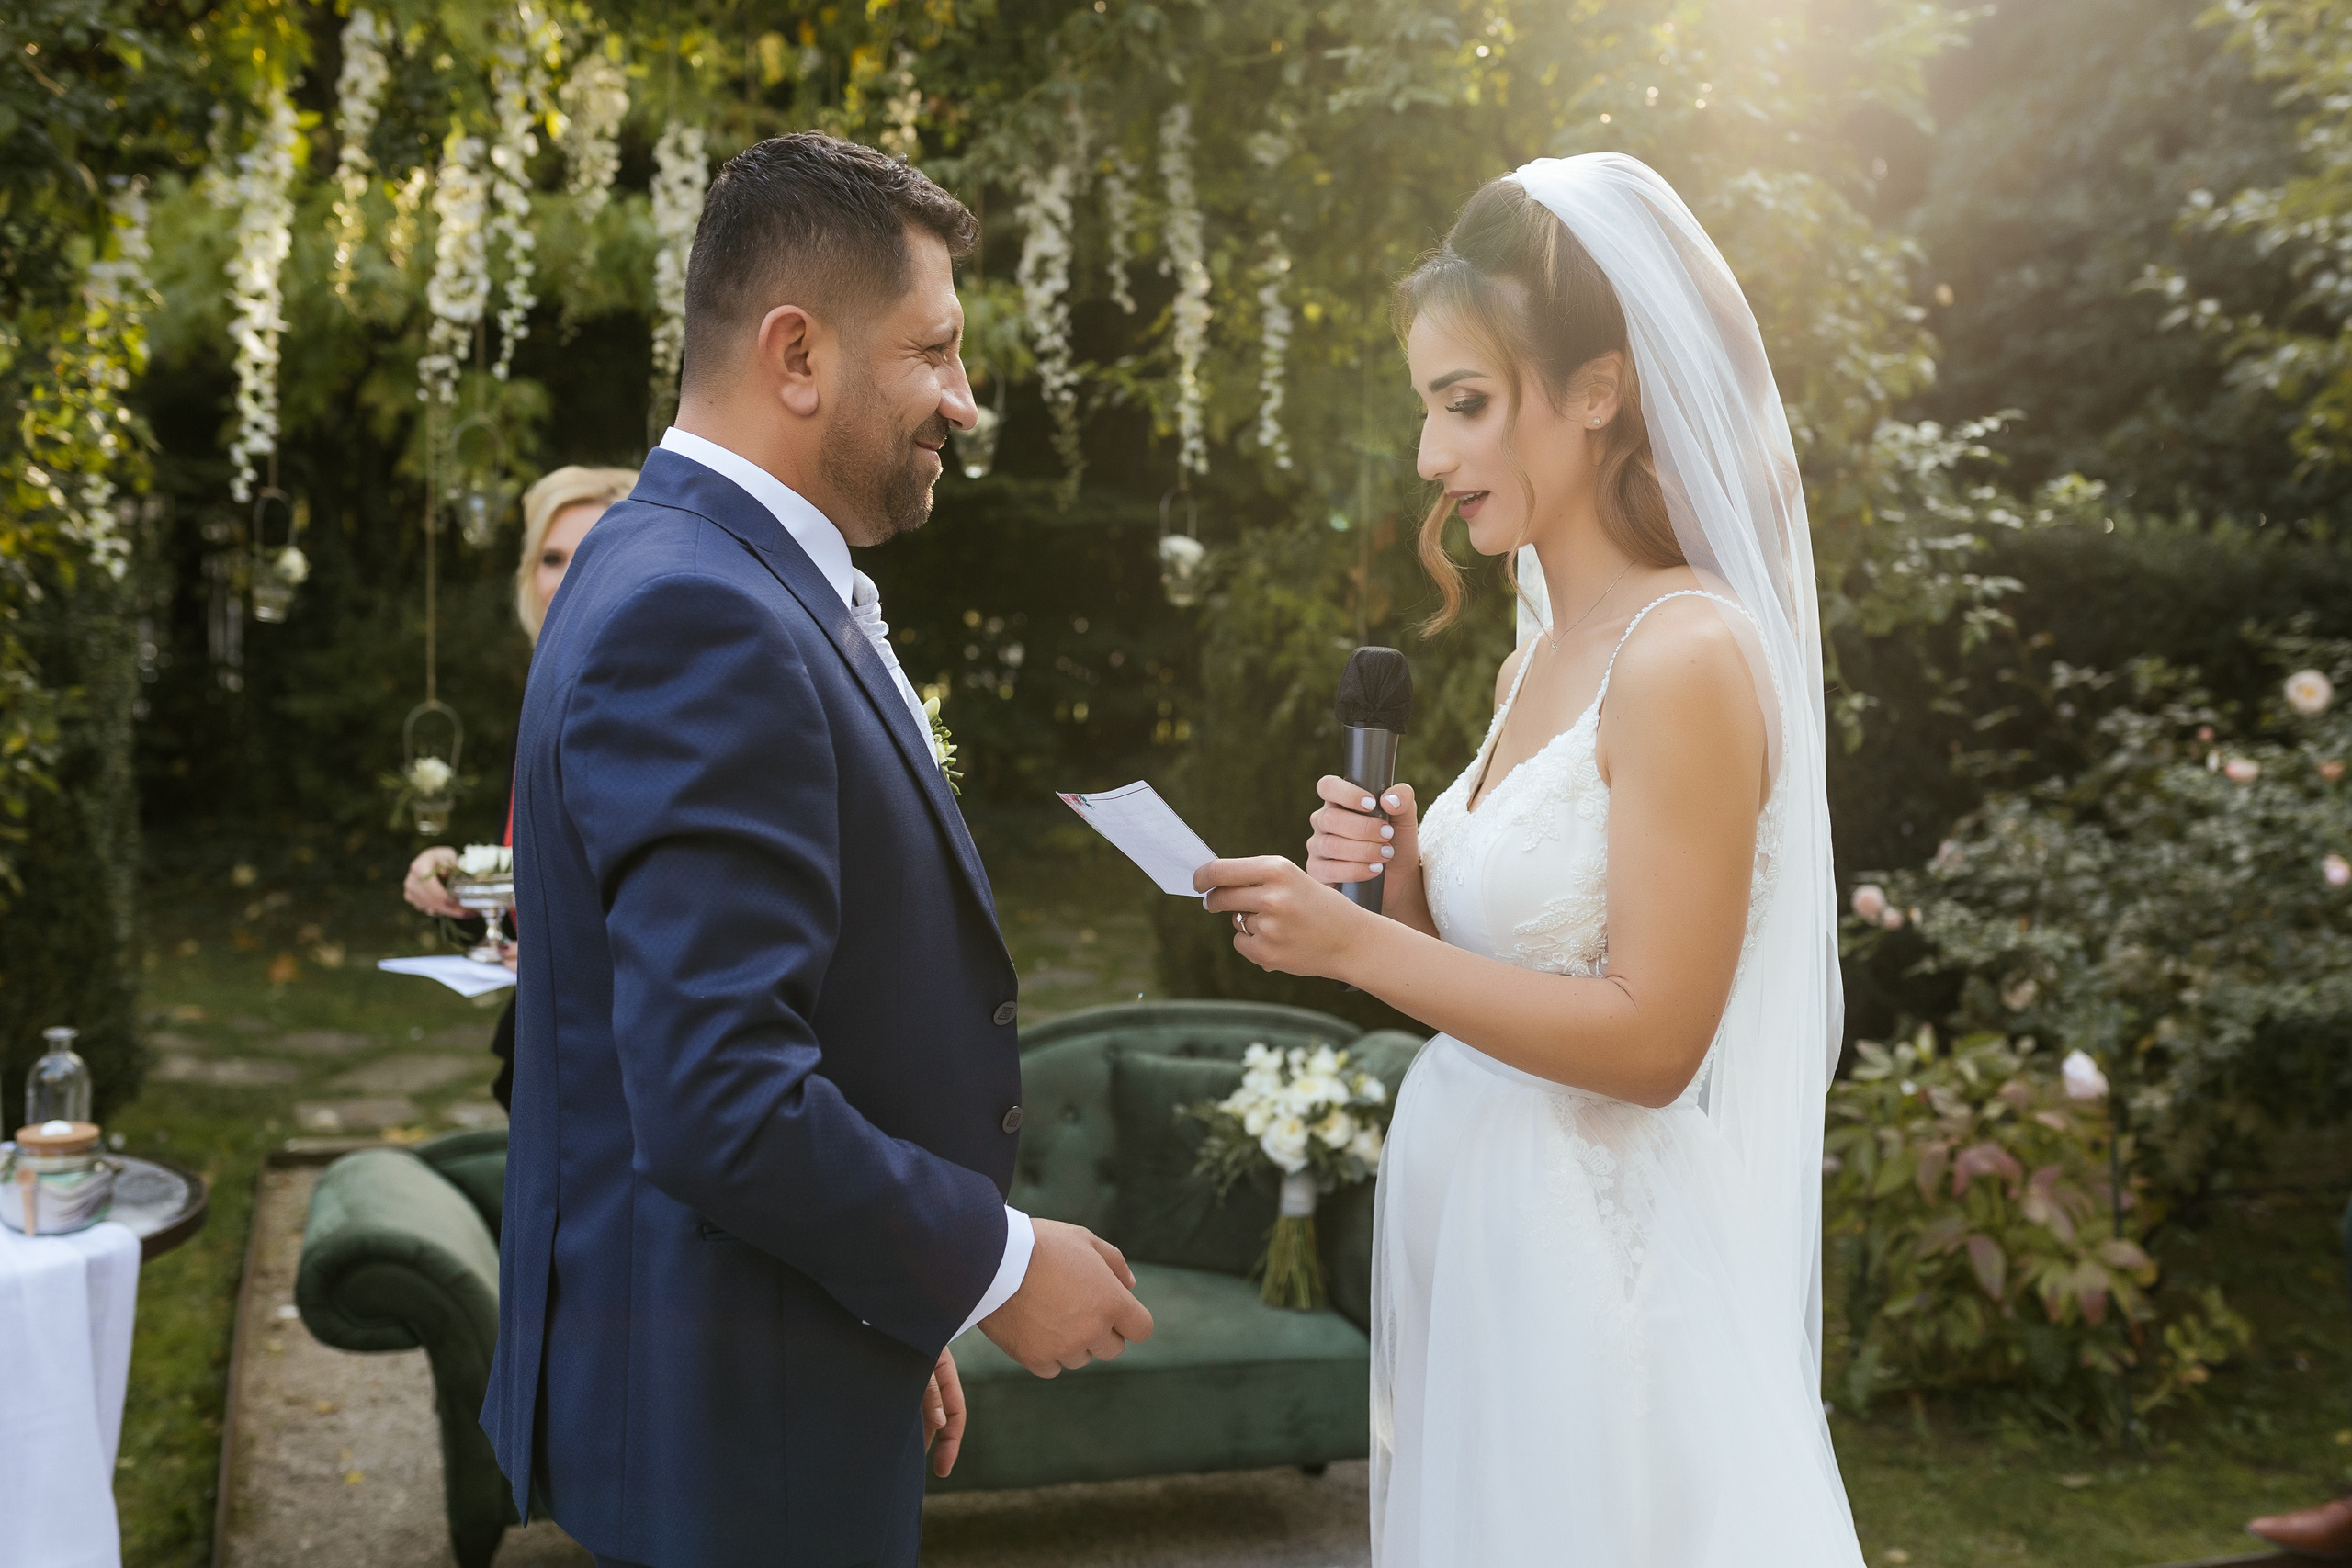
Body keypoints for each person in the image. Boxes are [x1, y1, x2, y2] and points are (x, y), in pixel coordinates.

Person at [481, 132, 1152, 1568]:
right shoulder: (701, 615)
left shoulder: (670, 557)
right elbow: (721, 1093)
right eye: (935, 352)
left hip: (778, 1358)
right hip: (738, 1440)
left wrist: (890, 1305)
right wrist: (998, 1262)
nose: (963, 403)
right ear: (799, 354)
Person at [1196, 154, 1863, 1563]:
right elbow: (1510, 961)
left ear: (1600, 390)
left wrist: (1366, 944)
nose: (1434, 457)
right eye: (1431, 410)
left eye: (1467, 404)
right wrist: (1404, 881)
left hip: (1595, 1276)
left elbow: (1653, 1037)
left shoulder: (1684, 653)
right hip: (1484, 1236)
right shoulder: (1543, 645)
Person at [400, 464, 637, 1110]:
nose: (564, 578)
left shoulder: (633, 697)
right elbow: (547, 869)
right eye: (550, 557)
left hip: (611, 1064)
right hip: (544, 1044)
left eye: (589, 554)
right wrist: (461, 881)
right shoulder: (554, 690)